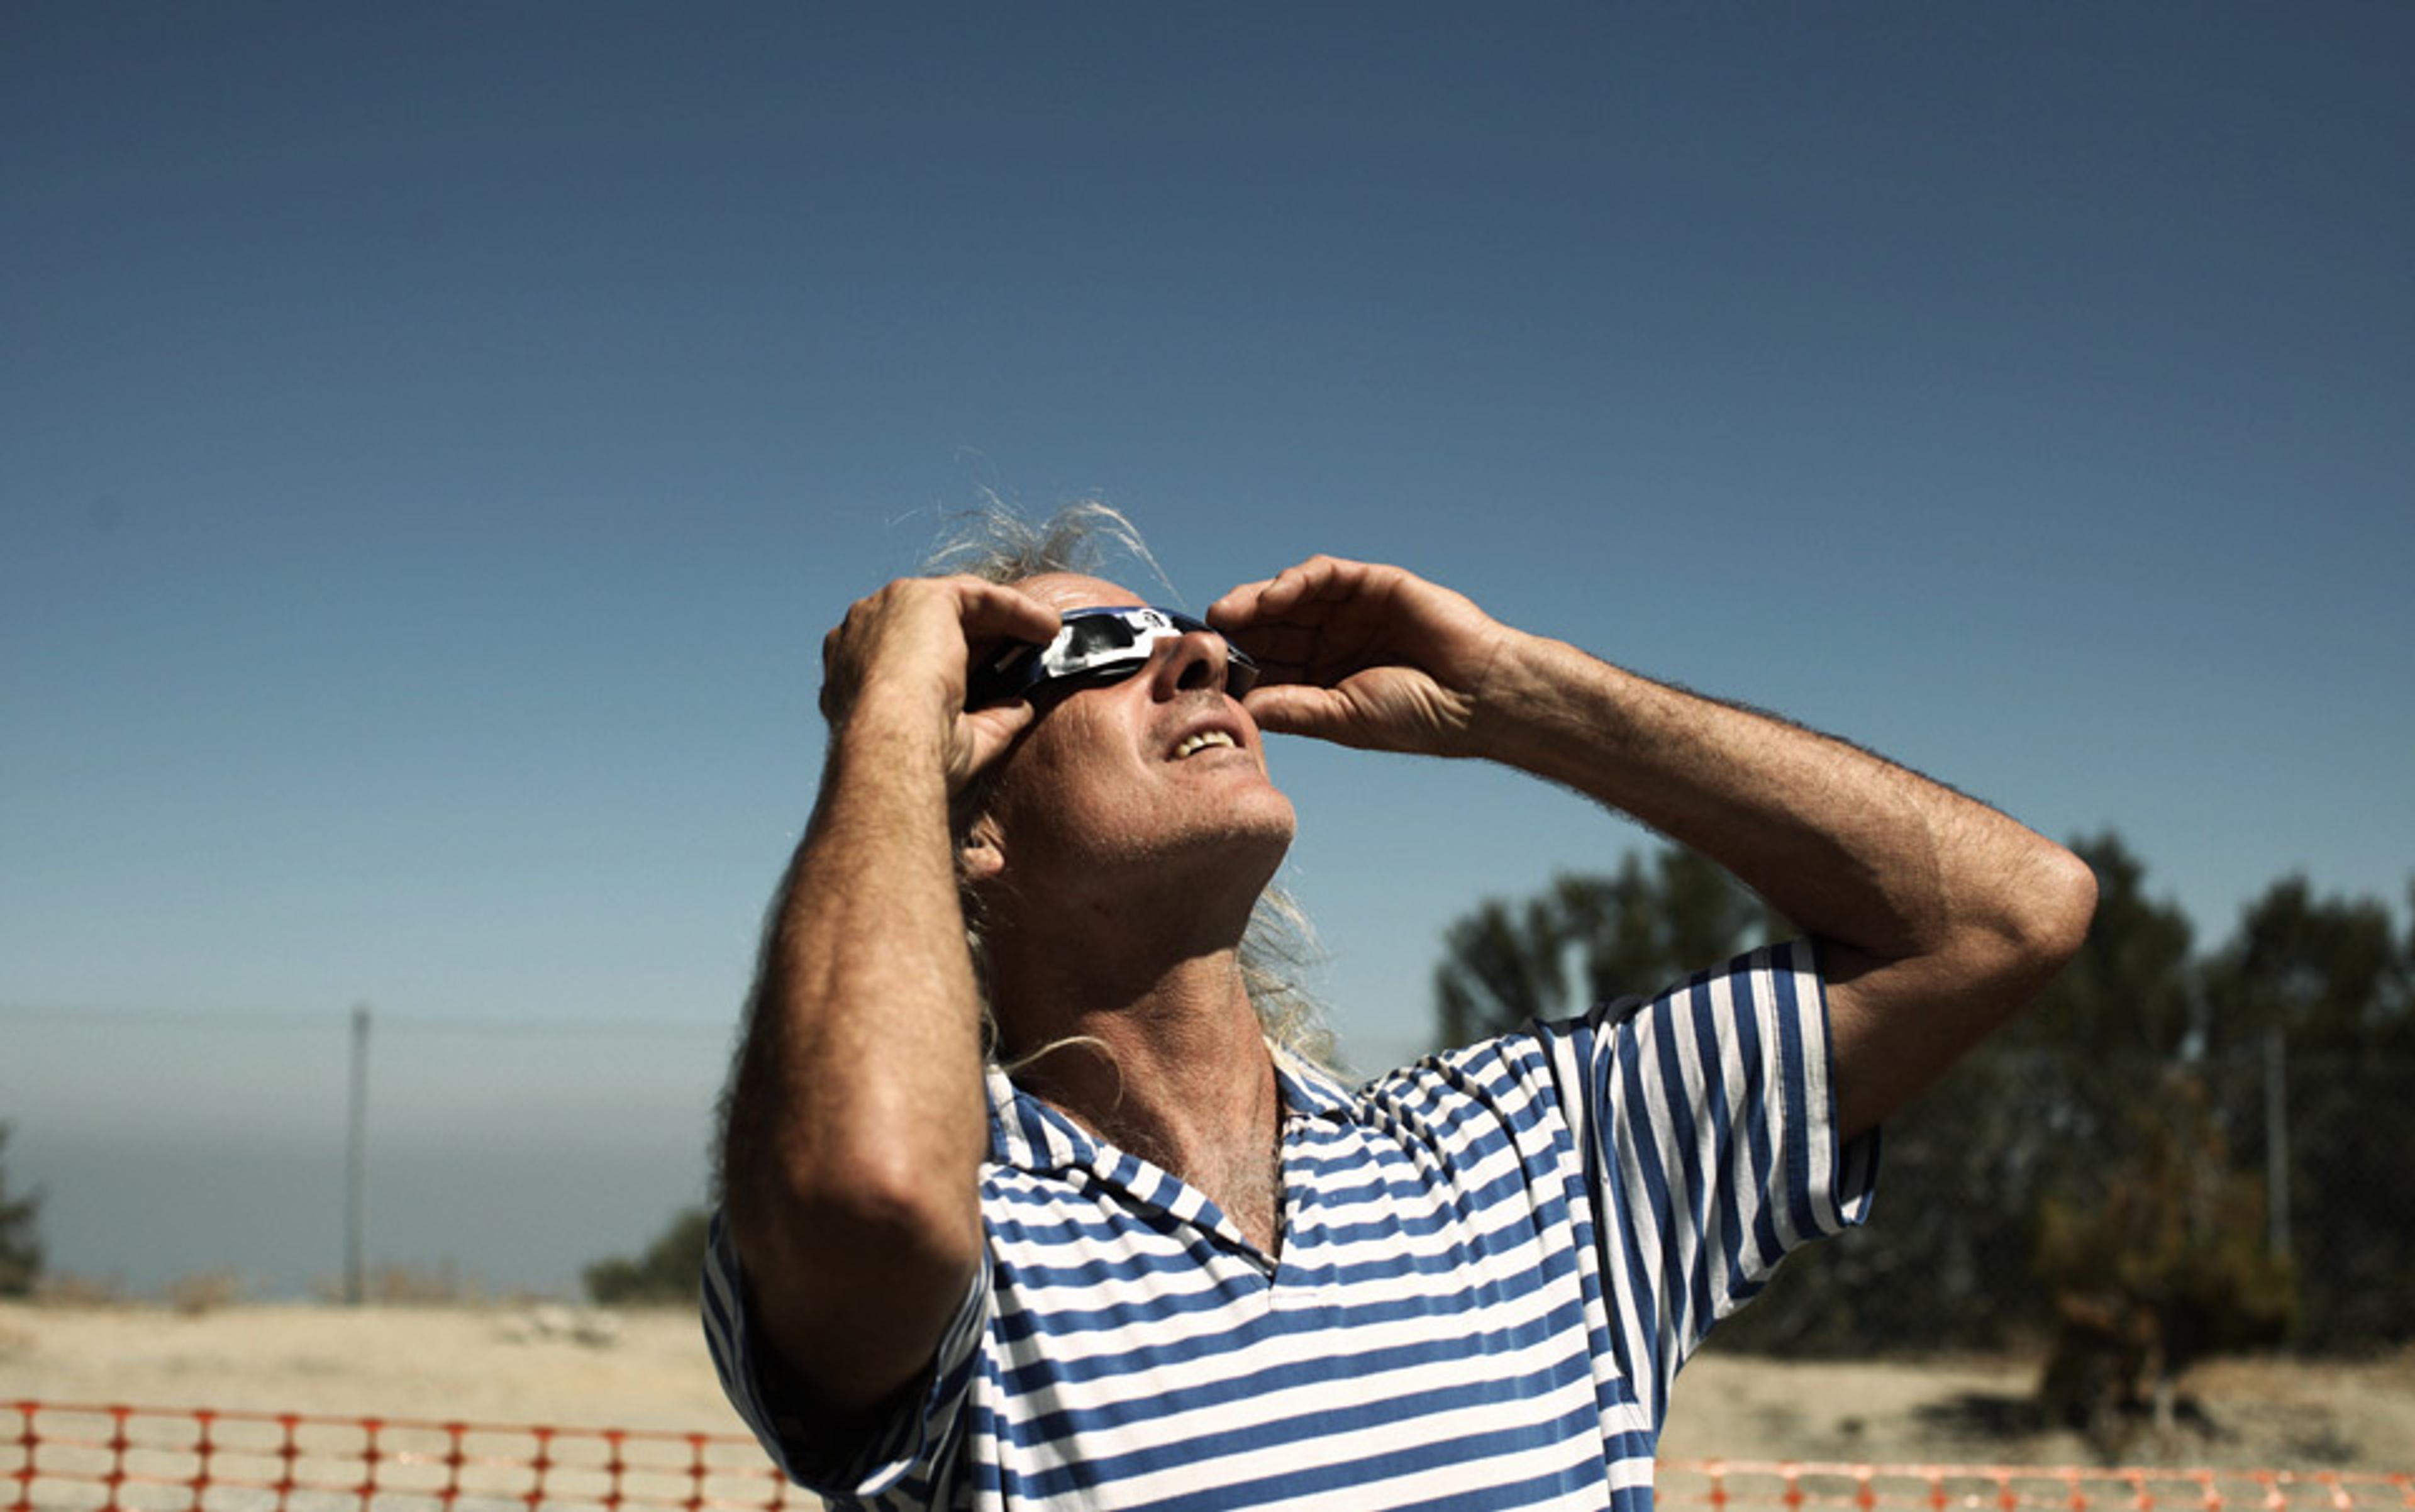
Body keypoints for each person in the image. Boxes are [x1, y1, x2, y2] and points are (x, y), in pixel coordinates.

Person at [702, 508, 2096, 1511]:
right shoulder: (980, 1252)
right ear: (974, 820)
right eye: (1104, 652)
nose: (1196, 662)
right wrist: (886, 723)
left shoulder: (1535, 1160)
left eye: (1197, 643)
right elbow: (864, 1188)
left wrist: (1519, 693)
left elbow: (2006, 912)